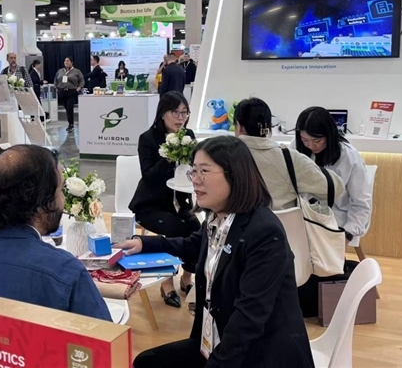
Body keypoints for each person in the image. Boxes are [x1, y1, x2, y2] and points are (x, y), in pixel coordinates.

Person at [118, 136, 315, 368]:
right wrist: (146, 244)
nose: (195, 180)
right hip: (215, 339)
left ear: (235, 174)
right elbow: (192, 246)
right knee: (145, 362)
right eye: (194, 171)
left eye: (204, 171)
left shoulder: (263, 232)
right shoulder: (218, 217)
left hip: (260, 353)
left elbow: (248, 319)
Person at [0, 145, 112, 364]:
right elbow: (107, 355)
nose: (62, 200)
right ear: (42, 204)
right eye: (60, 190)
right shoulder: (64, 271)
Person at [129, 91, 200, 308]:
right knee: (174, 228)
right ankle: (166, 282)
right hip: (151, 205)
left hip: (180, 203)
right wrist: (169, 155)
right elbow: (149, 176)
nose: (180, 118)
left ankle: (187, 278)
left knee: (197, 230)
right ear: (162, 113)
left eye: (184, 113)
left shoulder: (188, 135)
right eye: (175, 112)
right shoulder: (148, 139)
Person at [233, 98, 345, 210]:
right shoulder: (289, 159)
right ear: (269, 127)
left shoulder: (225, 157)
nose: (311, 145)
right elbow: (335, 188)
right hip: (281, 221)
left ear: (238, 126)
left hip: (236, 221)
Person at [294, 106, 372, 244]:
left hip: (337, 219)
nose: (310, 145)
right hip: (305, 215)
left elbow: (361, 204)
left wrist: (347, 234)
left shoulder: (349, 157)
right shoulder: (296, 147)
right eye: (305, 140)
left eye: (317, 141)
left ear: (329, 135)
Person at [54, 56, 84, 133]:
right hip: (61, 92)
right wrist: (56, 88)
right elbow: (56, 79)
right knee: (67, 108)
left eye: (68, 61)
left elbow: (82, 80)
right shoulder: (60, 71)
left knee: (70, 108)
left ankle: (71, 124)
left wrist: (79, 88)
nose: (66, 62)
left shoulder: (76, 71)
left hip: (71, 91)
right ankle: (70, 122)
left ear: (71, 62)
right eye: (65, 61)